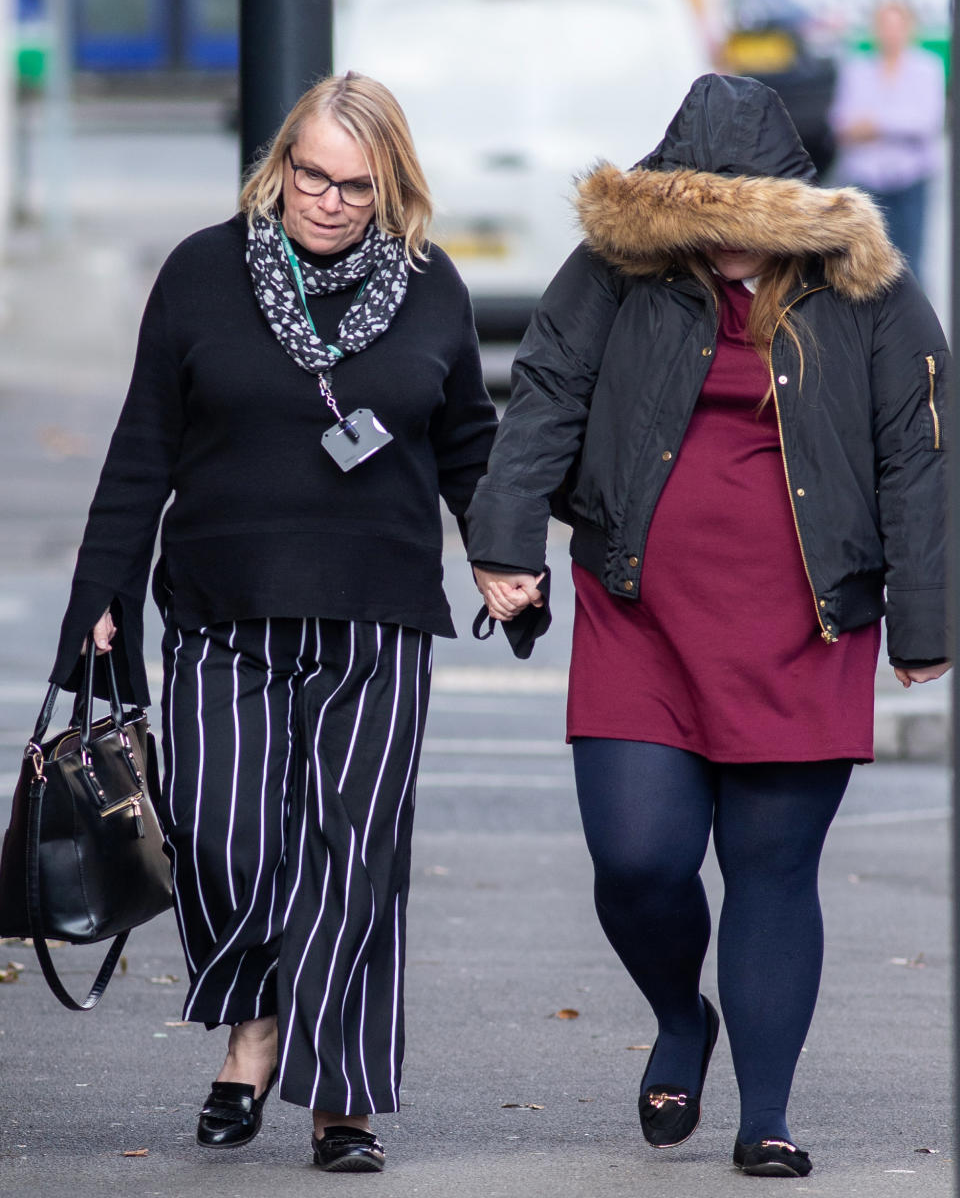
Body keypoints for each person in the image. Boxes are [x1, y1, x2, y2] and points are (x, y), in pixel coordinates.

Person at [467, 74, 949, 1178]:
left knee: (773, 868)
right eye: (703, 219)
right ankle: (680, 1015)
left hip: (807, 626)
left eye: (745, 220)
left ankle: (766, 1116)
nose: (725, 244)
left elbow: (919, 453)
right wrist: (504, 546)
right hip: (641, 613)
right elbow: (543, 395)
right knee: (637, 861)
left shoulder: (868, 290)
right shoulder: (613, 273)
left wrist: (926, 619)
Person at [51, 71, 497, 1173]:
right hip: (220, 608)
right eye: (312, 175)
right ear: (279, 165)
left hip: (377, 613)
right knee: (220, 838)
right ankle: (255, 1021)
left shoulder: (434, 286)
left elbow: (470, 442)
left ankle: (338, 1094)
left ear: (388, 183)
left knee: (356, 857)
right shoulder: (204, 273)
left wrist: (504, 558)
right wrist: (101, 594)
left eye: (355, 184)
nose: (330, 201)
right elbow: (144, 442)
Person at [829, 0, 945, 283]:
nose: (890, 33)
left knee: (911, 265)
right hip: (866, 178)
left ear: (910, 29)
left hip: (910, 177)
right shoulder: (857, 69)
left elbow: (926, 123)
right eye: (884, 26)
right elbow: (840, 122)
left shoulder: (927, 68)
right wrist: (892, 123)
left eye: (897, 26)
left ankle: (914, 327)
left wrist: (875, 124)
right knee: (862, 264)